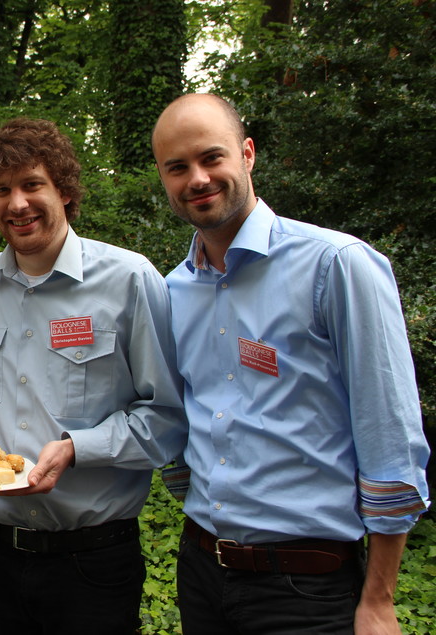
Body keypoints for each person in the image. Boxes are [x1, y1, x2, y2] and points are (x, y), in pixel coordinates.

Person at [152, 93, 431, 634]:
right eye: (177, 167)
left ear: (248, 154)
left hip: (308, 589)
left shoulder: (336, 266)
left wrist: (378, 598)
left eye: (213, 157)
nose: (198, 179)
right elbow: (180, 417)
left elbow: (390, 434)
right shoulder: (173, 291)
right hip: (202, 571)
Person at [0, 117, 187, 634]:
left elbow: (167, 420)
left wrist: (75, 449)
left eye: (32, 184)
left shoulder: (129, 280)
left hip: (93, 562)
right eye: (1, 190)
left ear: (64, 191)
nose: (17, 203)